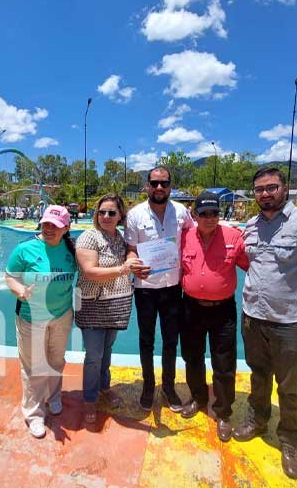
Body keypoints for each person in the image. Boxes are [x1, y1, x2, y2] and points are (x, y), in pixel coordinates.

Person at [234, 167, 297, 480]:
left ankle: (289, 439)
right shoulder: (250, 225)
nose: (265, 193)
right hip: (253, 317)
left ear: (284, 188)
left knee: (290, 386)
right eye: (259, 189)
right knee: (259, 375)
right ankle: (257, 420)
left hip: (291, 321)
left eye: (271, 187)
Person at [179, 192, 249, 442]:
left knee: (224, 363)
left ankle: (223, 412)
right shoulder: (183, 237)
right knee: (192, 357)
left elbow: (254, 266)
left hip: (223, 310)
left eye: (214, 213)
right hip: (191, 307)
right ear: (194, 215)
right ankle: (197, 398)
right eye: (204, 213)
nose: (210, 218)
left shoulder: (233, 237)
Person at [5, 205, 77, 439]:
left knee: (56, 360)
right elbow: (10, 277)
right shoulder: (25, 249)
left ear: (66, 228)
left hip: (62, 315)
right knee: (34, 366)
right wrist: (21, 291)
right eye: (46, 224)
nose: (48, 229)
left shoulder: (71, 250)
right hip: (31, 317)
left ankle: (54, 397)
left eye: (55, 226)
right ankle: (34, 413)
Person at [125, 166, 194, 412]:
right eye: (154, 183)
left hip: (173, 288)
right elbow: (131, 248)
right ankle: (148, 386)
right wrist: (133, 263)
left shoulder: (182, 212)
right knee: (146, 341)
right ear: (147, 185)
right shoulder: (135, 215)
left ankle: (168, 386)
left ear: (170, 186)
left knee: (170, 341)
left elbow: (192, 239)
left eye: (164, 183)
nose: (159, 188)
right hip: (145, 288)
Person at [75, 194, 143, 424]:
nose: (106, 216)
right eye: (102, 212)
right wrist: (125, 269)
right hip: (92, 305)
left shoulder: (121, 239)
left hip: (114, 305)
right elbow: (89, 271)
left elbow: (134, 256)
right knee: (94, 355)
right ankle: (90, 398)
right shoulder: (89, 237)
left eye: (111, 212)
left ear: (120, 216)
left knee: (107, 351)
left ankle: (104, 387)